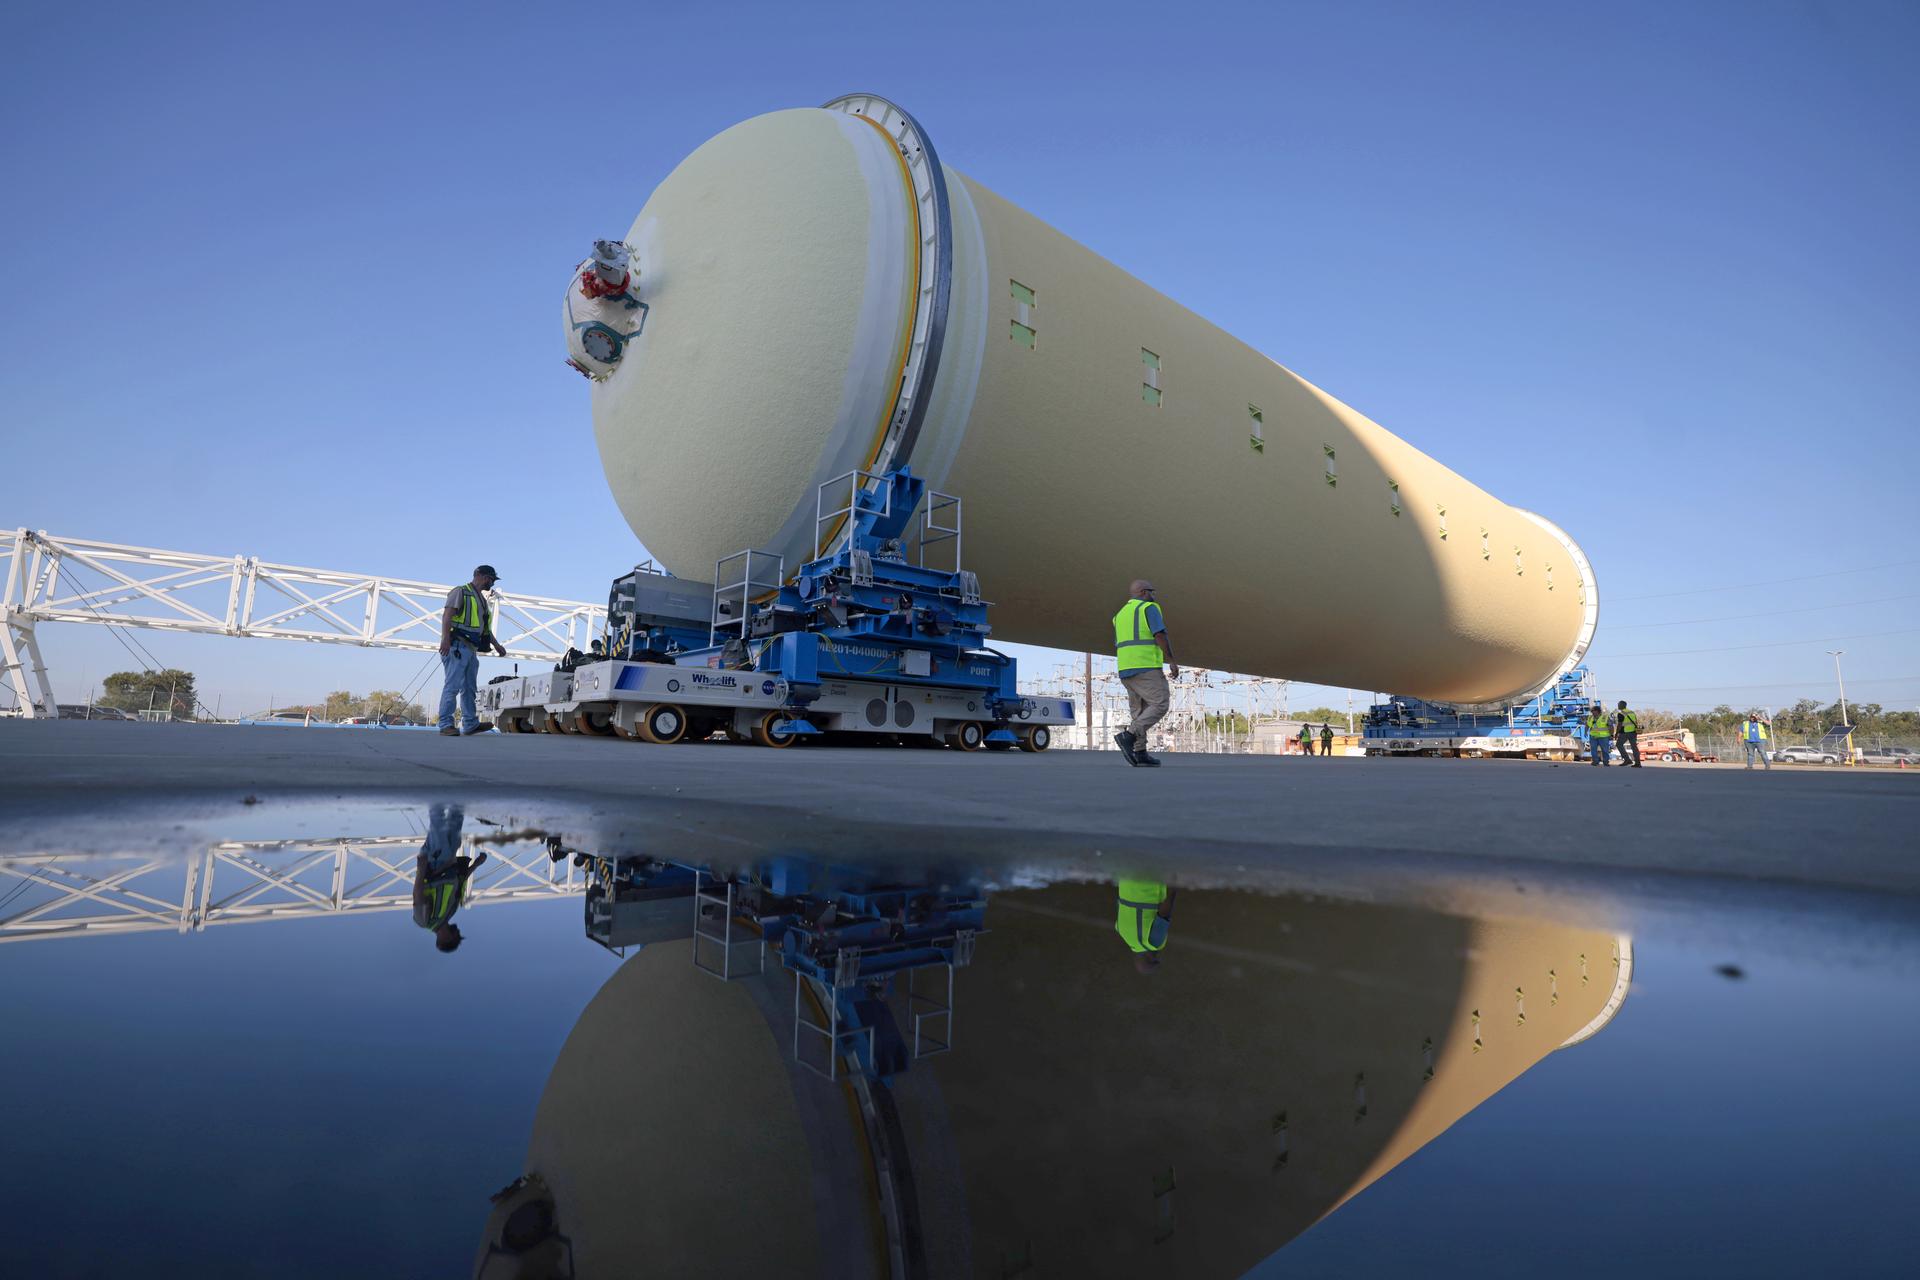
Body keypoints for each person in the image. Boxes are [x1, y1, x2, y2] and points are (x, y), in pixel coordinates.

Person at [1112, 579, 1177, 767]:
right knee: (1160, 703)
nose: (1154, 595)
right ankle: (1129, 736)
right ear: (1143, 592)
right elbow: (1160, 635)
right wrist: (1171, 661)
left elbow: (1118, 643)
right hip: (1146, 666)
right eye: (1151, 591)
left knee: (1138, 710)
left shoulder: (1119, 615)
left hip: (1125, 669)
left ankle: (1140, 753)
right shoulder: (1149, 608)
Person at [439, 564, 509, 736]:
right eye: (491, 580)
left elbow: (485, 629)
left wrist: (496, 645)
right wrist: (445, 639)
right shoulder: (460, 592)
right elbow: (447, 615)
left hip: (470, 649)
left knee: (469, 688)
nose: (491, 584)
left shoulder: (482, 601)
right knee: (453, 686)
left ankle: (470, 724)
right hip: (457, 646)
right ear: (484, 577)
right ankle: (445, 724)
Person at [412, 803, 487, 952]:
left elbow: (418, 895)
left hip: (435, 861)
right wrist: (475, 865)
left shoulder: (426, 921)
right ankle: (456, 791)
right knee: (456, 816)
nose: (458, 931)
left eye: (456, 936)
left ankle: (434, 787)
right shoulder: (449, 913)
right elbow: (459, 884)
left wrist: (421, 868)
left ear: (446, 939)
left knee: (437, 820)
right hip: (449, 859)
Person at [1115, 879, 1176, 973]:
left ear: (1150, 959)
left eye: (1156, 960)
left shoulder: (1153, 943)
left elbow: (1164, 914)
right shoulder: (1121, 932)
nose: (1158, 956)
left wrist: (1174, 889)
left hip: (1149, 880)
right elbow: (1119, 903)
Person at [1613, 700, 1642, 768]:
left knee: (1619, 744)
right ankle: (1638, 763)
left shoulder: (1621, 713)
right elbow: (1636, 722)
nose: (1618, 706)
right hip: (1633, 732)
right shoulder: (1632, 712)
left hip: (1625, 732)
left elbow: (1619, 725)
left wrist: (1616, 733)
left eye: (1619, 704)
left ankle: (1627, 760)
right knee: (1634, 747)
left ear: (1622, 705)